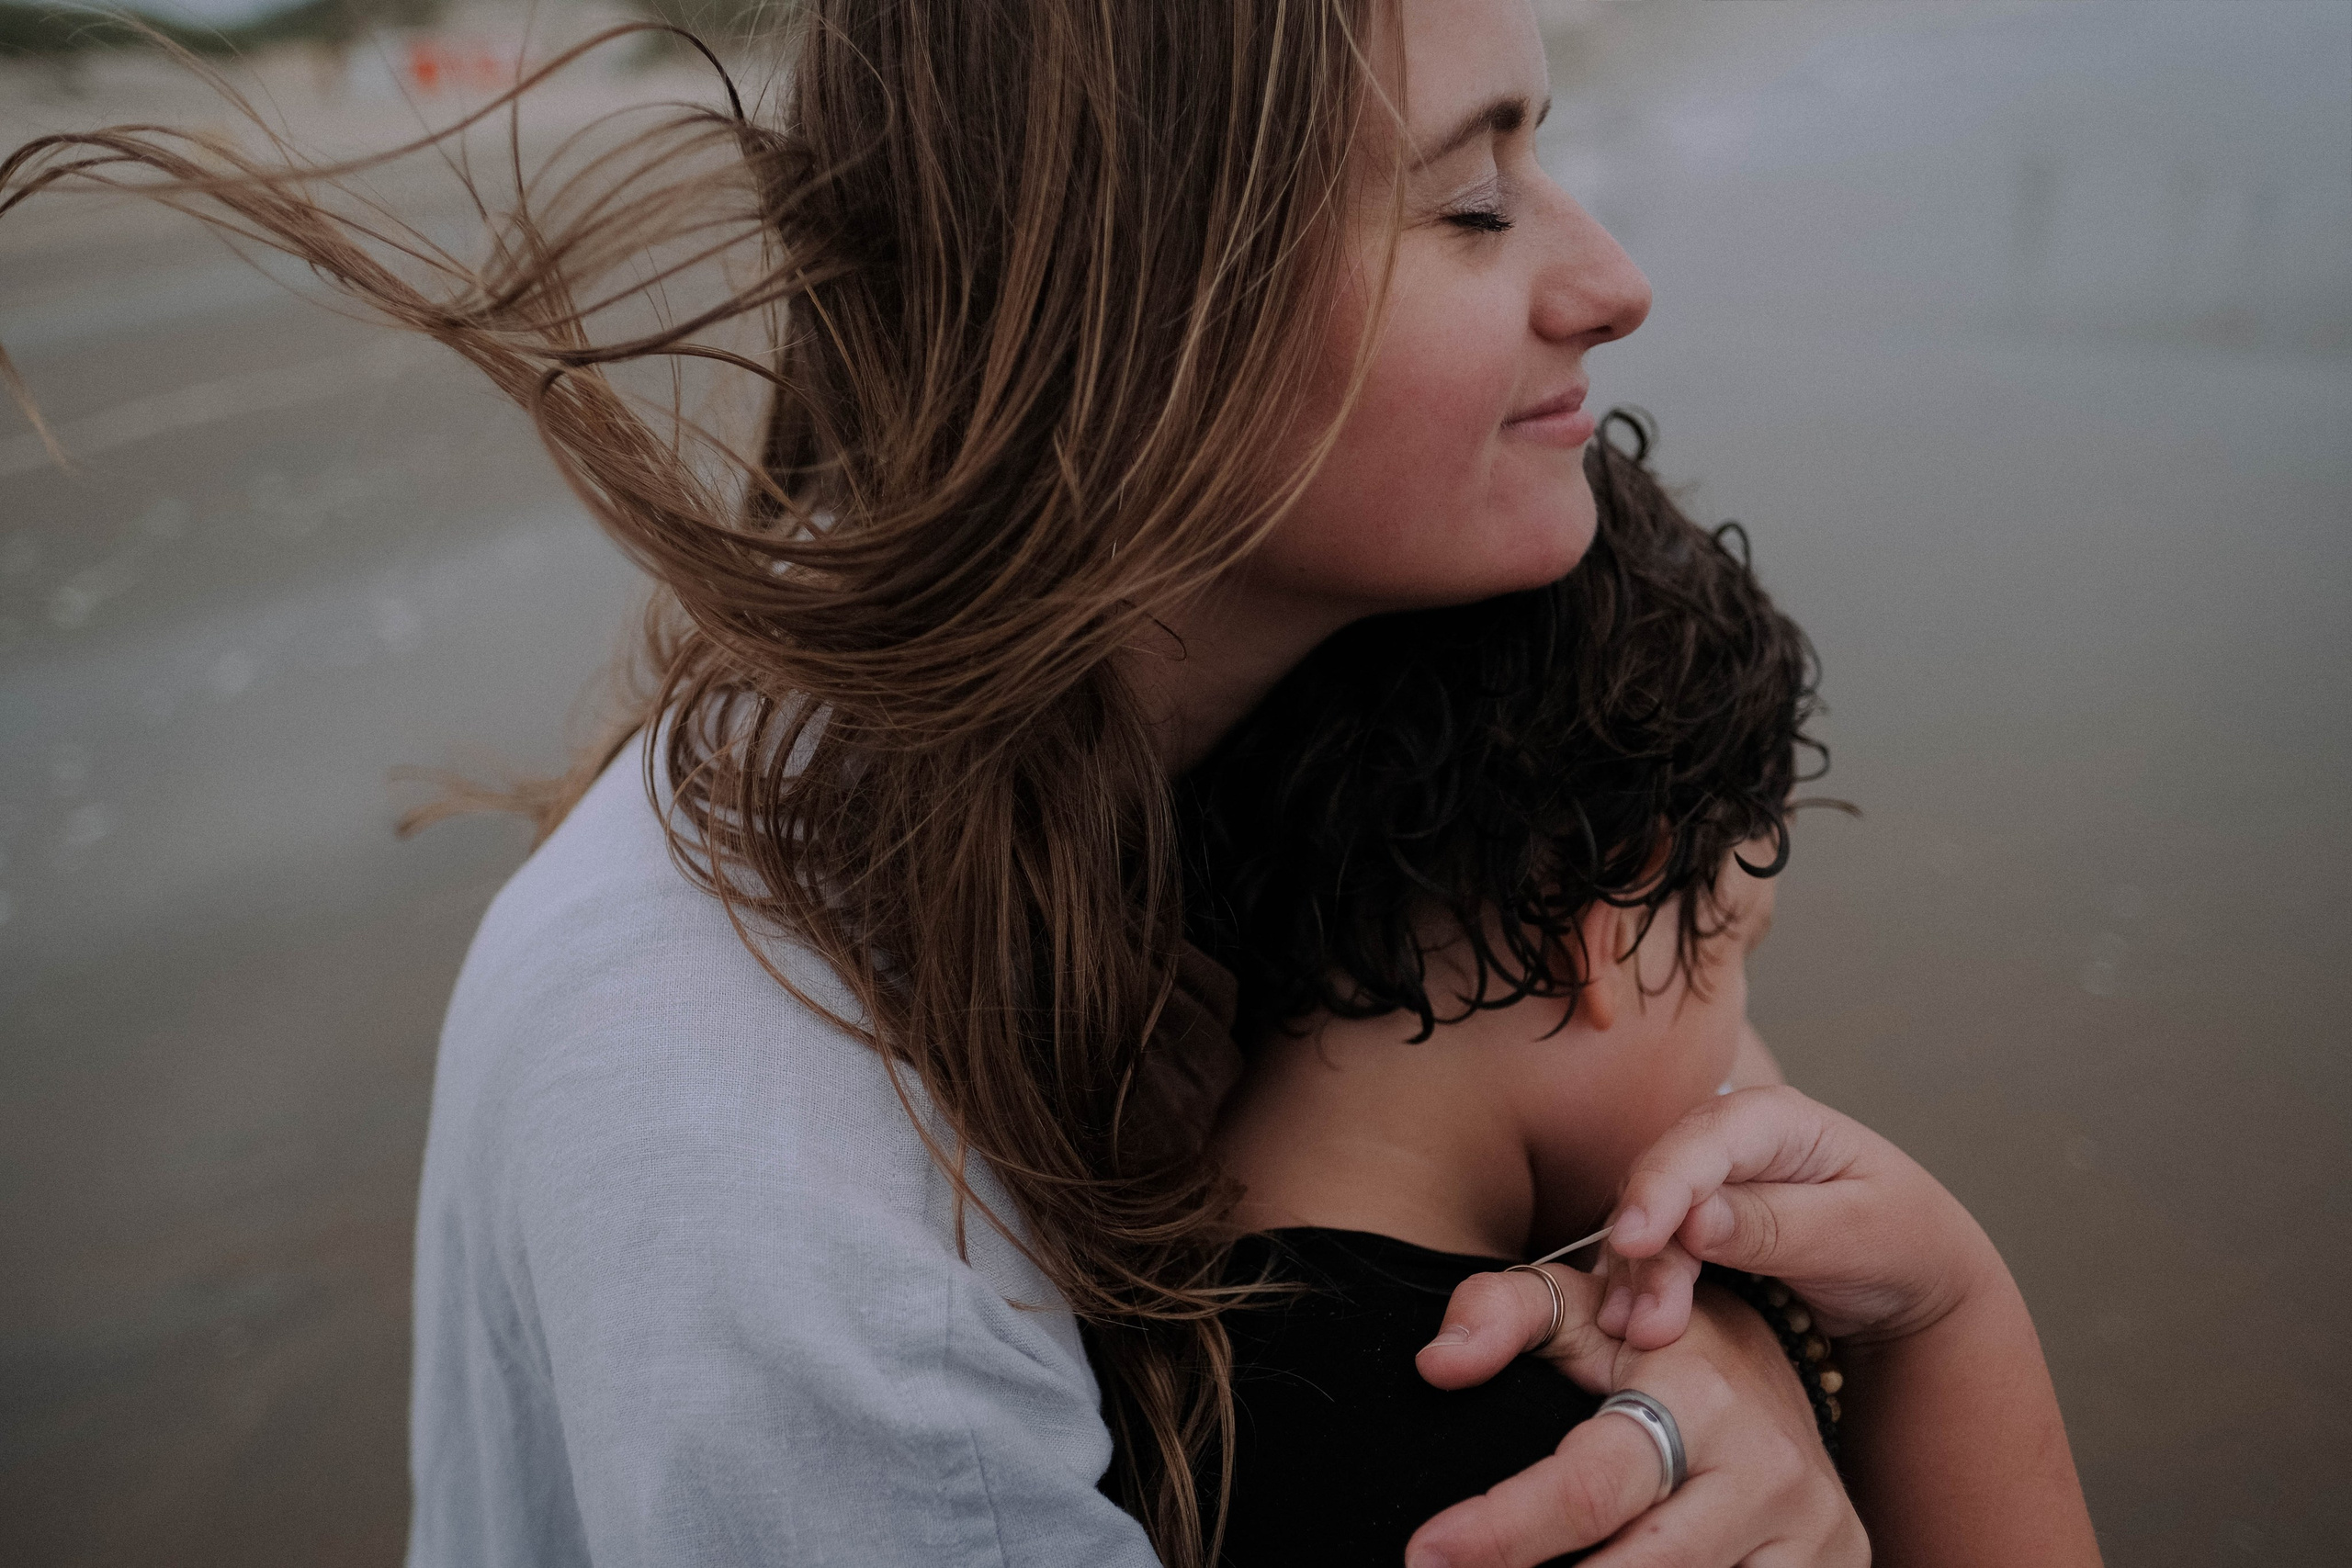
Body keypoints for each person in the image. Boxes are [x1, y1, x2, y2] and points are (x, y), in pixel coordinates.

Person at [0, 3, 2067, 1564]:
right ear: (1143, 307)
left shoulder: (1278, 717)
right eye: (1469, 196)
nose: (1606, 278)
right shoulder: (769, 1144)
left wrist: (1708, 1356)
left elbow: (1661, 1096)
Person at [1184, 422, 2101, 1565]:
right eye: (1736, 957)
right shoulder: (1613, 1493)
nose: (1742, 1052)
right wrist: (1945, 1314)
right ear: (1600, 931)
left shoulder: (1092, 1296)